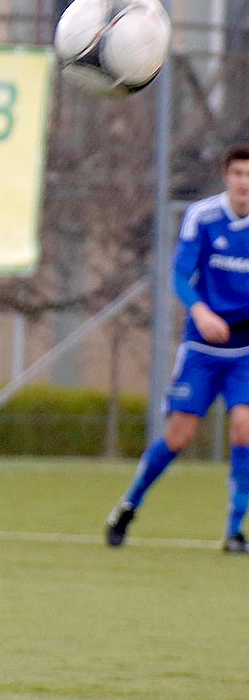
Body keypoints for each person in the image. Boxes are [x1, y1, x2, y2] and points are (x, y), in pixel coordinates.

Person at [106, 143, 249, 552]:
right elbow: (180, 277)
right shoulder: (202, 217)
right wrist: (202, 312)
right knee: (179, 436)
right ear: (226, 176)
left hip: (245, 352)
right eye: (238, 174)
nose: (244, 183)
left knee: (244, 426)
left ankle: (235, 530)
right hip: (202, 349)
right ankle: (129, 506)